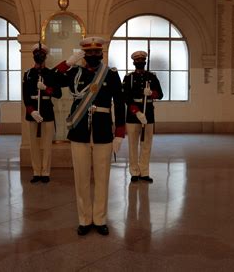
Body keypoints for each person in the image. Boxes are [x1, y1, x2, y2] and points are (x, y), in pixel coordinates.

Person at [55, 37, 125, 236]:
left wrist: (119, 133)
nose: (94, 55)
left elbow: (120, 104)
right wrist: (68, 63)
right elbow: (52, 80)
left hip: (103, 131)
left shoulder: (110, 75)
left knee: (102, 178)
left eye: (97, 52)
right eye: (89, 52)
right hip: (79, 131)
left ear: (101, 53)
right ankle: (84, 219)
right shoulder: (75, 72)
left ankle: (100, 218)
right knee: (81, 178)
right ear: (84, 54)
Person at [22, 43, 62, 183]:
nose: (39, 57)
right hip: (33, 111)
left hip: (47, 110)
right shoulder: (27, 74)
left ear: (45, 56)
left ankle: (45, 172)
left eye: (42, 55)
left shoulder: (51, 73)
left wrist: (46, 88)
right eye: (37, 54)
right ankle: (36, 171)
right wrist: (31, 111)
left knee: (46, 144)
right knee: (33, 144)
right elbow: (25, 96)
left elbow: (58, 94)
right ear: (33, 56)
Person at [123, 50, 163, 183]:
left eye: (142, 60)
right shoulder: (129, 78)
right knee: (133, 144)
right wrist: (137, 112)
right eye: (137, 60)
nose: (140, 62)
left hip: (149, 113)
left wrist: (151, 93)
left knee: (146, 144)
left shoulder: (151, 76)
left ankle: (144, 172)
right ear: (133, 62)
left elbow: (160, 94)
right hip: (133, 114)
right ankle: (134, 171)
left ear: (145, 62)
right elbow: (126, 97)